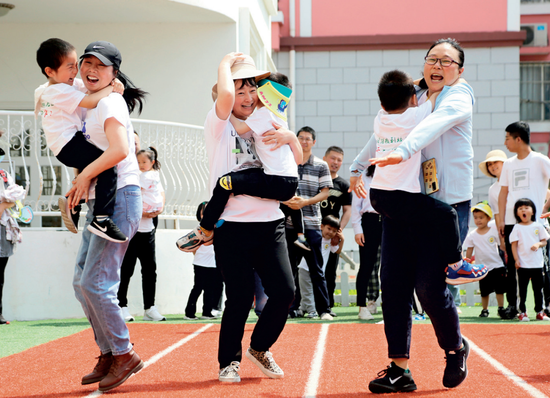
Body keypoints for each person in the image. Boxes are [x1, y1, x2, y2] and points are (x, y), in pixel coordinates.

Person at [351, 39, 478, 393]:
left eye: (447, 61)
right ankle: (398, 368)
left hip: (445, 207)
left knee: (429, 287)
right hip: (407, 203)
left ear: (459, 70)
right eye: (432, 59)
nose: (438, 66)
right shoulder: (415, 95)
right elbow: (385, 129)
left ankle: (454, 348)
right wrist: (359, 166)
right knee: (393, 286)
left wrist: (404, 150)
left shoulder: (458, 96)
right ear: (423, 65)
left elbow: (434, 126)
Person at [202, 52, 296, 383]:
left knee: (285, 292)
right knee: (240, 298)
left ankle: (259, 347)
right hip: (232, 228)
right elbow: (225, 97)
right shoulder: (217, 125)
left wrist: (291, 137)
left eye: (251, 88)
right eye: (239, 90)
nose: (246, 97)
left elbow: (289, 163)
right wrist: (225, 63)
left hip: (270, 225)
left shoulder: (265, 119)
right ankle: (229, 361)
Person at [68, 41, 147, 392]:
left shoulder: (110, 101)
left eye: (100, 65)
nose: (91, 69)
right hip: (101, 200)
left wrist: (84, 175)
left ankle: (124, 353)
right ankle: (109, 352)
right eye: (86, 62)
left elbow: (120, 149)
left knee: (96, 283)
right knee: (81, 282)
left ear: (114, 72)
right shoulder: (91, 99)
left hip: (121, 199)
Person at [176, 72, 306, 252]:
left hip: (275, 183)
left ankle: (205, 229)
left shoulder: (262, 115)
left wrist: (227, 109)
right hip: (286, 183)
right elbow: (299, 160)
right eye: (242, 92)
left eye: (255, 90)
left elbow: (238, 127)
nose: (251, 97)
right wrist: (291, 137)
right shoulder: (278, 116)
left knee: (225, 183)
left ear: (265, 93)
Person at [34, 38, 127, 243]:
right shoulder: (57, 90)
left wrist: (112, 84)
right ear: (50, 71)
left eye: (76, 65)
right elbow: (91, 99)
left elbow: (87, 88)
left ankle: (72, 204)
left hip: (68, 142)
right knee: (107, 165)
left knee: (94, 169)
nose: (75, 72)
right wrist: (111, 87)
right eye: (69, 67)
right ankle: (101, 219)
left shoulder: (65, 84)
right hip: (67, 143)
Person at [497, 121, 550, 320]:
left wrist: (546, 208)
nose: (505, 143)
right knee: (512, 266)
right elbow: (503, 193)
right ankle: (513, 306)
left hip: (536, 224)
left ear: (518, 139)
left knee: (541, 267)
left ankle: (543, 307)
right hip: (512, 222)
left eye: (507, 138)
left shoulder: (540, 160)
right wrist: (502, 219)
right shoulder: (509, 164)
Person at [284, 126, 334, 320]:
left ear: (314, 142)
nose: (304, 142)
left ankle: (324, 310)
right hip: (289, 225)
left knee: (317, 270)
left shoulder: (321, 165)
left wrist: (305, 202)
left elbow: (325, 192)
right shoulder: (288, 162)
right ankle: (289, 309)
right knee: (289, 270)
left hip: (313, 223)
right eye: (301, 138)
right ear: (295, 140)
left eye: (308, 139)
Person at [117, 146, 166, 322]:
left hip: (148, 230)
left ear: (152, 162)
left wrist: (159, 208)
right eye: (138, 162)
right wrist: (141, 213)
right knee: (126, 269)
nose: (140, 165)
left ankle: (149, 308)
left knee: (150, 269)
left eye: (143, 162)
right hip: (132, 229)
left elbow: (160, 194)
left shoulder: (154, 176)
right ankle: (121, 306)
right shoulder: (134, 177)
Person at [321, 146, 352, 307]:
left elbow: (347, 210)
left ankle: (328, 305)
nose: (335, 162)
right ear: (325, 158)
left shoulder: (343, 185)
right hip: (315, 232)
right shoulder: (317, 179)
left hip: (331, 236)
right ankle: (306, 304)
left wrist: (337, 231)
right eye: (333, 158)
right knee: (306, 270)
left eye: (339, 160)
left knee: (330, 271)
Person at [463, 202, 506, 318]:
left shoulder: (493, 231)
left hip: (497, 265)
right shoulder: (472, 235)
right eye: (476, 218)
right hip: (482, 267)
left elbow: (501, 244)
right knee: (484, 290)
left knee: (499, 289)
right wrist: (467, 261)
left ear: (488, 218)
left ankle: (501, 308)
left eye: (481, 217)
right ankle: (485, 310)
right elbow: (469, 249)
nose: (478, 220)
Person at [510, 198, 550, 321]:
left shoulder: (538, 226)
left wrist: (538, 244)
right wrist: (516, 259)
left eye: (527, 208)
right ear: (517, 213)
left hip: (537, 264)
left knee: (538, 290)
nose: (524, 210)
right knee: (522, 291)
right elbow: (514, 245)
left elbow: (544, 241)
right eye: (520, 208)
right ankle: (522, 312)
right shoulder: (517, 227)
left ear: (532, 212)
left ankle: (540, 311)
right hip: (523, 265)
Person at [184, 201, 224, 320]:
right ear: (200, 214)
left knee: (209, 289)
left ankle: (206, 312)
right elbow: (193, 247)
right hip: (200, 263)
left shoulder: (216, 227)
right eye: (204, 211)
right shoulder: (198, 229)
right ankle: (189, 312)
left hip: (212, 263)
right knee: (198, 287)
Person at [298, 215, 343, 318]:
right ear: (321, 226)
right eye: (329, 228)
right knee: (307, 290)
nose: (331, 232)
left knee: (310, 290)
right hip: (305, 268)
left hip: (318, 270)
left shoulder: (331, 242)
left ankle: (302, 309)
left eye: (334, 231)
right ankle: (312, 311)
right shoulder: (316, 237)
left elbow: (338, 251)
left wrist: (342, 240)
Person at [351, 165, 381, 320]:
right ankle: (362, 307)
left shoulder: (393, 175)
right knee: (366, 266)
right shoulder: (363, 177)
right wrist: (357, 229)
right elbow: (355, 206)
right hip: (369, 222)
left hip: (389, 222)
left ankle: (392, 305)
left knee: (392, 266)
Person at [0, 147, 24, 326]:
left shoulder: (4, 175)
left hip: (3, 227)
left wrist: (4, 206)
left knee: (0, 273)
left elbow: (13, 198)